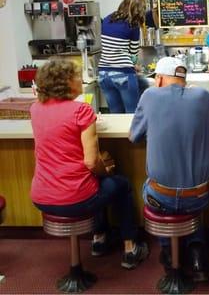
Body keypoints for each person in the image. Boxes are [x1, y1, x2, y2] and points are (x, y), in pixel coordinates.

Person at [30, 59, 148, 269]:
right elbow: (91, 162)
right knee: (118, 183)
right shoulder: (81, 111)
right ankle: (130, 248)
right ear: (65, 82)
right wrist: (107, 171)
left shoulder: (35, 109)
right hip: (74, 197)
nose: (81, 80)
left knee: (94, 182)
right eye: (76, 77)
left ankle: (99, 239)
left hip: (41, 196)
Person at [129, 56, 209, 282]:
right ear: (184, 79)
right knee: (190, 199)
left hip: (161, 198)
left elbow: (133, 137)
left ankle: (169, 251)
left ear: (159, 80)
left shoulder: (149, 96)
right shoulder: (203, 96)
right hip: (199, 197)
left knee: (150, 187)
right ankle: (197, 253)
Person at [98, 0, 145, 113]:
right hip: (123, 73)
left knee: (115, 115)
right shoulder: (133, 25)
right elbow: (133, 53)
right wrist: (135, 66)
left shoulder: (108, 18)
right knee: (132, 114)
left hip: (104, 73)